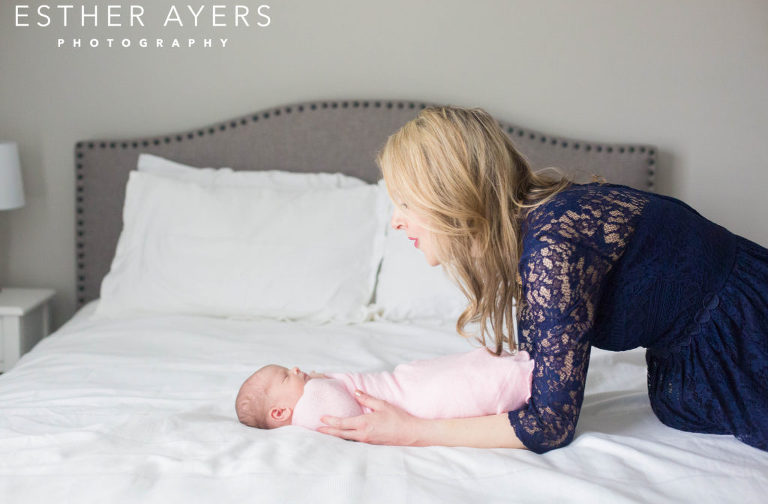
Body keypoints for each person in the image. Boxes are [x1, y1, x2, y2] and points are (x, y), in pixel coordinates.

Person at [317, 105, 768, 453]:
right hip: (698, 351)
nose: (396, 222)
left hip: (749, 329)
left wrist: (413, 432)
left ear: (451, 195)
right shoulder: (530, 237)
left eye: (406, 203)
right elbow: (528, 381)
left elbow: (550, 424)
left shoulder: (552, 245)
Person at [235, 348, 534, 430]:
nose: (297, 370)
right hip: (409, 401)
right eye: (287, 377)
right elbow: (344, 413)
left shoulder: (306, 397)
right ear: (279, 412)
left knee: (454, 371)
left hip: (400, 384)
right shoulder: (306, 412)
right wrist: (316, 383)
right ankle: (519, 379)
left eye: (289, 368)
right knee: (461, 388)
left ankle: (512, 367)